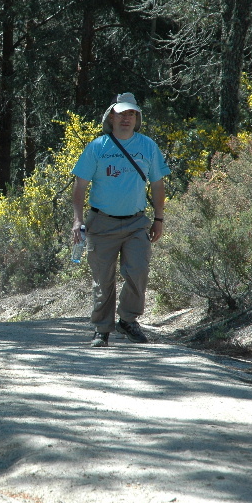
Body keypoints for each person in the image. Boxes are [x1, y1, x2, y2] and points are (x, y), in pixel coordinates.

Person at [71, 92, 171, 347]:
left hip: (136, 222)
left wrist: (159, 218)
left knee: (138, 272)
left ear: (136, 118)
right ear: (111, 117)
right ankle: (101, 330)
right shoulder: (97, 147)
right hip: (101, 223)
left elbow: (158, 184)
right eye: (121, 114)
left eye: (131, 114)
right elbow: (80, 186)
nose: (126, 119)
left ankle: (127, 320)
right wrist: (77, 220)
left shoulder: (148, 146)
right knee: (103, 281)